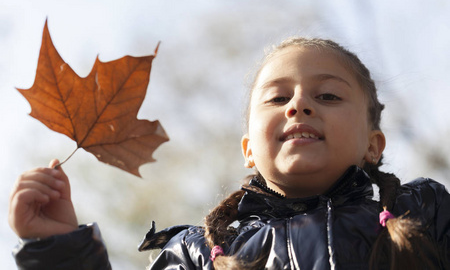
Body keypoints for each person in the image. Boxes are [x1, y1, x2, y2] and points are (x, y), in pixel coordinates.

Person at [9, 38, 450, 269]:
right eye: (277, 99)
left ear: (373, 145)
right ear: (249, 152)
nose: (299, 104)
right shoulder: (200, 253)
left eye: (329, 96)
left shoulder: (423, 212)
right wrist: (58, 249)